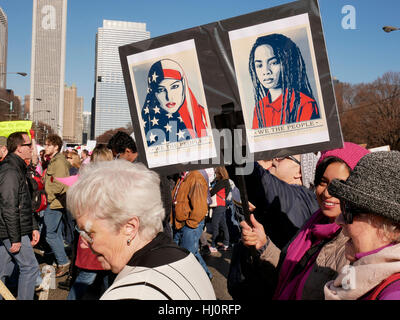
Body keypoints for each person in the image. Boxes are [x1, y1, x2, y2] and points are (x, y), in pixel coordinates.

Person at [66, 160, 216, 300]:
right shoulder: (185, 258)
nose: (84, 243)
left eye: (90, 233)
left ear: (129, 228)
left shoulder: (130, 294)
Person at [240, 142, 370, 300]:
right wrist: (264, 245)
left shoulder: (359, 244)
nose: (328, 193)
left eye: (340, 185)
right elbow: (289, 273)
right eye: (323, 182)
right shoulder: (312, 225)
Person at [324, 151, 400, 300]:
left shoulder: (393, 294)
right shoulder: (359, 275)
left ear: (393, 227)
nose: (339, 220)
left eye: (348, 210)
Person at [65, 144, 114, 300]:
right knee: (88, 276)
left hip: (100, 234)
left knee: (107, 277)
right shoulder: (96, 183)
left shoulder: (90, 181)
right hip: (94, 234)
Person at [107, 131, 173, 238]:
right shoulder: (131, 168)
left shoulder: (148, 167)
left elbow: (165, 198)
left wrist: (156, 224)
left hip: (153, 230)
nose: (115, 160)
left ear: (127, 151)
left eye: (117, 156)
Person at [0, 132, 40, 300]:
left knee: (2, 270)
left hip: (13, 229)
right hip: (11, 229)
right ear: (18, 148)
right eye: (28, 145)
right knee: (30, 268)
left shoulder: (18, 167)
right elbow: (9, 206)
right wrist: (15, 237)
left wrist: (33, 227)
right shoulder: (10, 170)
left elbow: (24, 203)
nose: (32, 148)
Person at [249, 33, 320, 129]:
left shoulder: (305, 104)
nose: (266, 71)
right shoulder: (259, 108)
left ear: (287, 63)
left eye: (273, 63)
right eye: (259, 65)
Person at [141, 59, 208, 146]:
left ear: (183, 84)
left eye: (174, 86)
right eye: (161, 90)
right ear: (153, 92)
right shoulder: (147, 123)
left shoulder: (203, 115)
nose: (169, 97)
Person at [171, 170, 213, 279]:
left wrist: (191, 224)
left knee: (188, 254)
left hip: (189, 224)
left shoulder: (195, 176)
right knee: (189, 252)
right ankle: (207, 276)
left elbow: (199, 208)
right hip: (181, 222)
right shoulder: (183, 176)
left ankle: (206, 276)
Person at [43, 134, 71, 277]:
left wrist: (49, 196)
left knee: (50, 235)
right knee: (57, 233)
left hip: (54, 203)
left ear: (56, 147)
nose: (45, 147)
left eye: (48, 145)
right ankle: (59, 259)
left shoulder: (59, 161)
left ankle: (63, 262)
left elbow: (60, 184)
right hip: (55, 202)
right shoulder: (54, 160)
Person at [209, 166, 231, 252]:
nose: (215, 172)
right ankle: (226, 244)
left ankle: (213, 245)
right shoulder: (226, 182)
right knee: (224, 225)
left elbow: (212, 192)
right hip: (222, 205)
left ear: (219, 172)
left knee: (215, 225)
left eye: (216, 171)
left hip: (218, 205)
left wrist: (210, 189)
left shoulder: (220, 182)